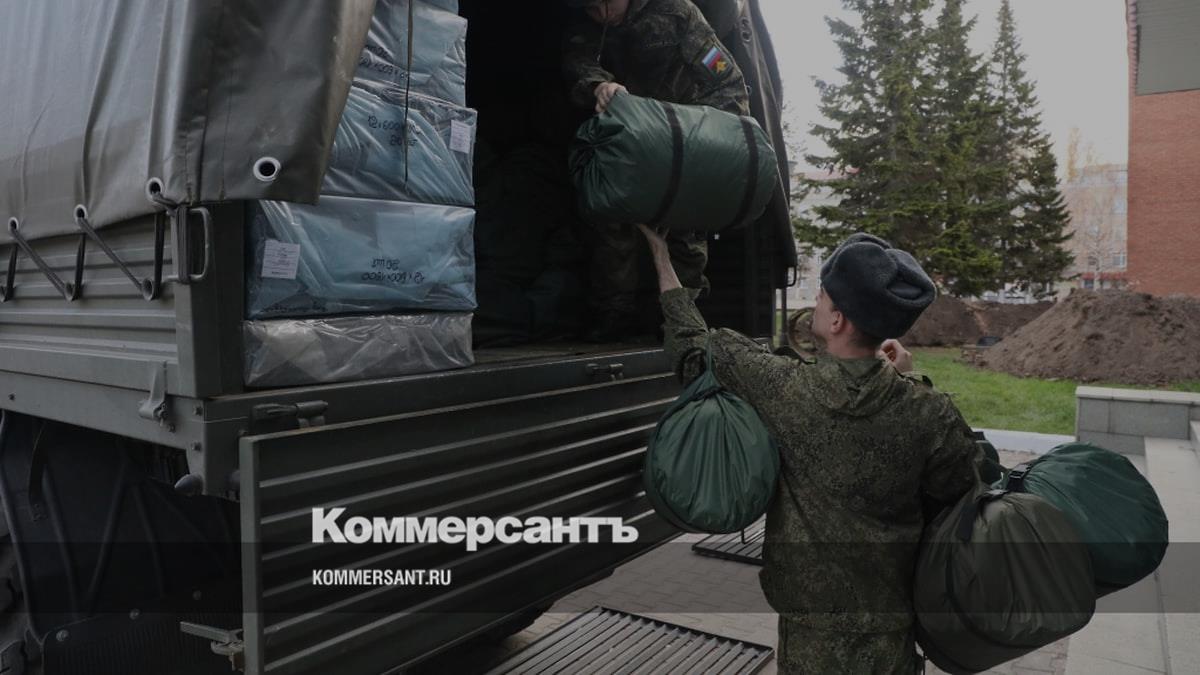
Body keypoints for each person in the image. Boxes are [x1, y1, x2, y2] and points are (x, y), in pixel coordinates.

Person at [638, 226, 983, 674]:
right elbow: (962, 492)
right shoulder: (929, 412)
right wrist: (903, 380)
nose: (816, 303)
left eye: (822, 297)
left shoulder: (782, 388)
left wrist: (660, 254)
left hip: (809, 639)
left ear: (837, 321)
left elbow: (693, 345)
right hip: (893, 635)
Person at [563, 0, 750, 341]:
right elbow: (578, 60)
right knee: (612, 225)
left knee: (684, 233)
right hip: (625, 139)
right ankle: (614, 317)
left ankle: (682, 321)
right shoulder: (589, 24)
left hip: (683, 139)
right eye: (591, 9)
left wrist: (716, 140)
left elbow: (725, 81)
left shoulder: (675, 12)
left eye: (604, 4)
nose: (600, 15)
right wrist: (598, 85)